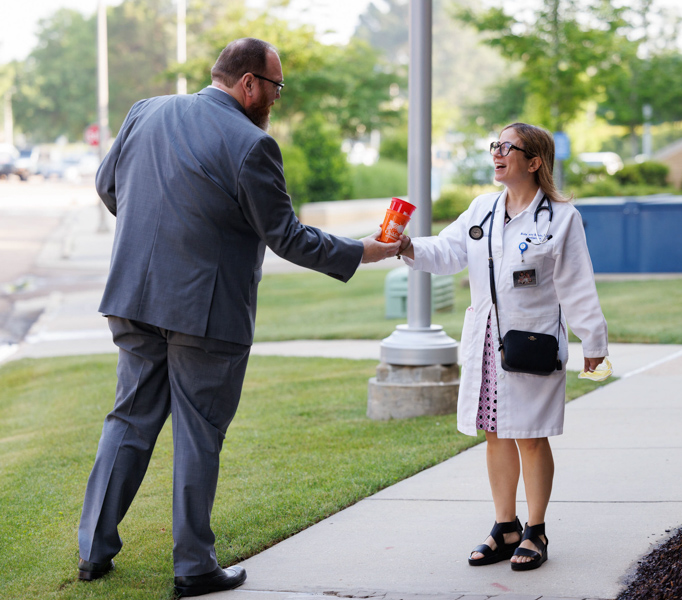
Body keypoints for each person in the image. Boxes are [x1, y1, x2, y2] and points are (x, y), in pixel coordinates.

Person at [77, 38, 400, 597]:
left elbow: (110, 187)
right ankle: (194, 566)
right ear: (248, 83)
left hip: (133, 295)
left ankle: (93, 552)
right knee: (199, 435)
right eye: (275, 87)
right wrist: (364, 250)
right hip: (207, 311)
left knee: (127, 421)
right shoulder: (253, 145)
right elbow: (288, 238)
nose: (276, 99)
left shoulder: (143, 112)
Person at [396, 123, 607, 571]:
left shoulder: (561, 217)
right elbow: (448, 252)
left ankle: (535, 530)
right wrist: (408, 245)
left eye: (507, 147)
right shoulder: (482, 209)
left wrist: (594, 341)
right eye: (495, 146)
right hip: (488, 341)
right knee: (495, 433)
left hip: (532, 341)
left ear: (534, 161)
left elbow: (577, 284)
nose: (497, 153)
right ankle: (504, 526)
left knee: (530, 436)